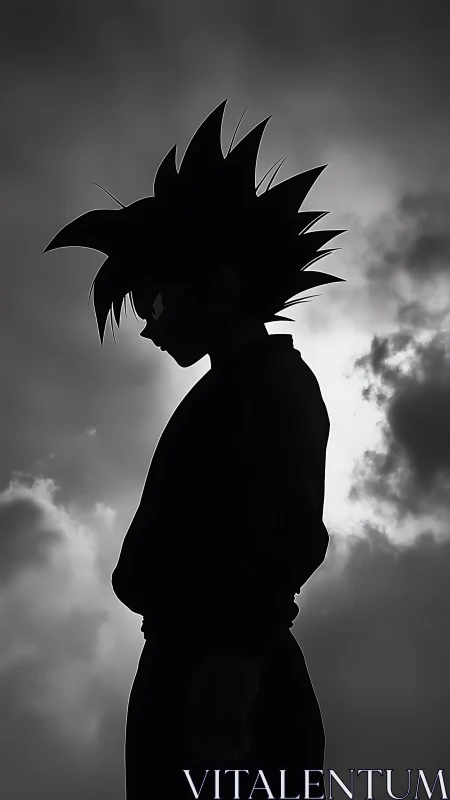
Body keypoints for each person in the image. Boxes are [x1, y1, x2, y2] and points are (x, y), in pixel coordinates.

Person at [43, 99, 346, 799]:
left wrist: (235, 664)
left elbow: (285, 530)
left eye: (153, 300)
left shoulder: (267, 386)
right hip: (201, 668)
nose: (147, 327)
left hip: (222, 677)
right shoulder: (243, 387)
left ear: (222, 284)